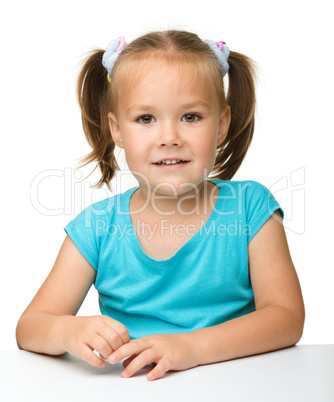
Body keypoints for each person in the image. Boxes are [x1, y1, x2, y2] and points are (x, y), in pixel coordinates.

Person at [16, 30, 305, 381]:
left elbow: (287, 318)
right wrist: (66, 331)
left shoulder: (250, 209)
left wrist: (193, 348)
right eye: (146, 119)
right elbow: (30, 327)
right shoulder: (97, 227)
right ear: (117, 129)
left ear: (222, 124)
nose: (169, 137)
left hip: (235, 383)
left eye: (191, 117)